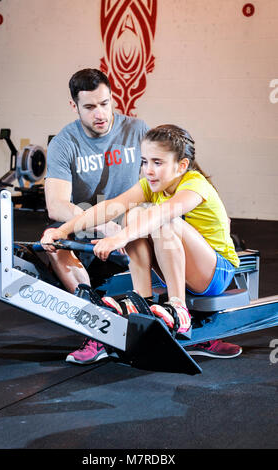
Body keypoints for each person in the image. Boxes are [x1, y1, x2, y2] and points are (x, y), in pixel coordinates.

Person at [41, 124, 242, 360]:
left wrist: (118, 238)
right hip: (184, 265)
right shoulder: (150, 185)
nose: (148, 170)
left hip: (216, 271)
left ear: (182, 166)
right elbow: (109, 207)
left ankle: (179, 309)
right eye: (145, 162)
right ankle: (142, 300)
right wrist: (62, 231)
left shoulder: (194, 184)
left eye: (158, 163)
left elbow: (162, 214)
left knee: (161, 219)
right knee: (133, 214)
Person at [43, 68, 149, 365]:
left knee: (161, 223)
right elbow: (56, 204)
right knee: (57, 238)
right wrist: (100, 224)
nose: (100, 113)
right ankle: (96, 328)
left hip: (130, 225)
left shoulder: (137, 130)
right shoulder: (64, 143)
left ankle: (190, 318)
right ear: (74, 106)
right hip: (90, 230)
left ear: (113, 97)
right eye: (89, 107)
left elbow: (161, 183)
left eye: (105, 103)